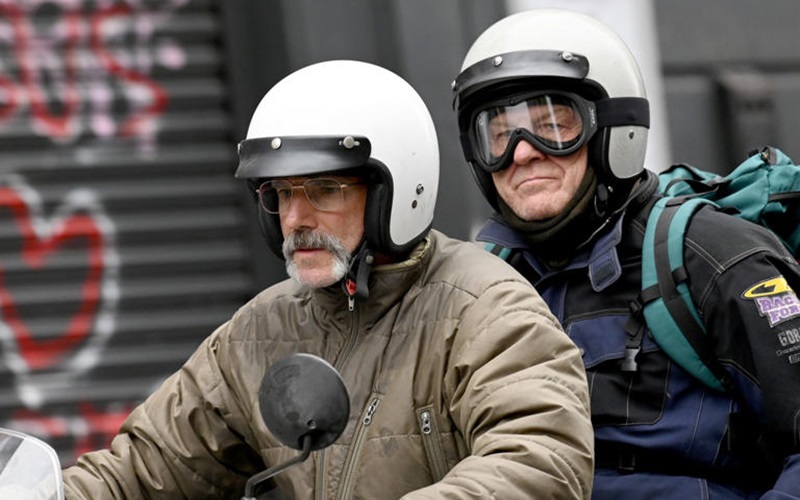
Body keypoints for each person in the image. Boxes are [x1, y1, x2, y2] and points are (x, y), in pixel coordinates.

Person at [61, 59, 594, 499]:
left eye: (324, 189)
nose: (296, 218)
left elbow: (541, 464)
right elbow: (146, 467)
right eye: (282, 194)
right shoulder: (258, 332)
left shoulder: (485, 310)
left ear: (393, 190)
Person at [451, 8, 800, 500]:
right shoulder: (477, 288)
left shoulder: (711, 257)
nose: (523, 152)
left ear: (614, 129)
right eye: (500, 135)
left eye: (552, 123)